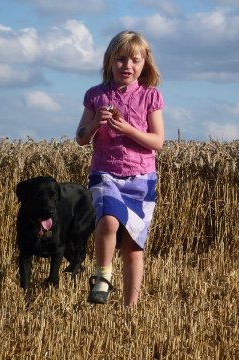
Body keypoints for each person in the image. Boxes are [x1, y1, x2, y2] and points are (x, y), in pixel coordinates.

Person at [75, 30, 164, 307]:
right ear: (110, 61)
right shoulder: (96, 96)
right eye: (121, 59)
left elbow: (157, 141)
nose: (128, 66)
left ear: (145, 63)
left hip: (141, 179)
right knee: (108, 220)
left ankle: (130, 309)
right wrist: (95, 125)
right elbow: (80, 137)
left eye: (135, 60)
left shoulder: (151, 97)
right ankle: (103, 277)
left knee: (133, 249)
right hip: (105, 173)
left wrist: (127, 129)